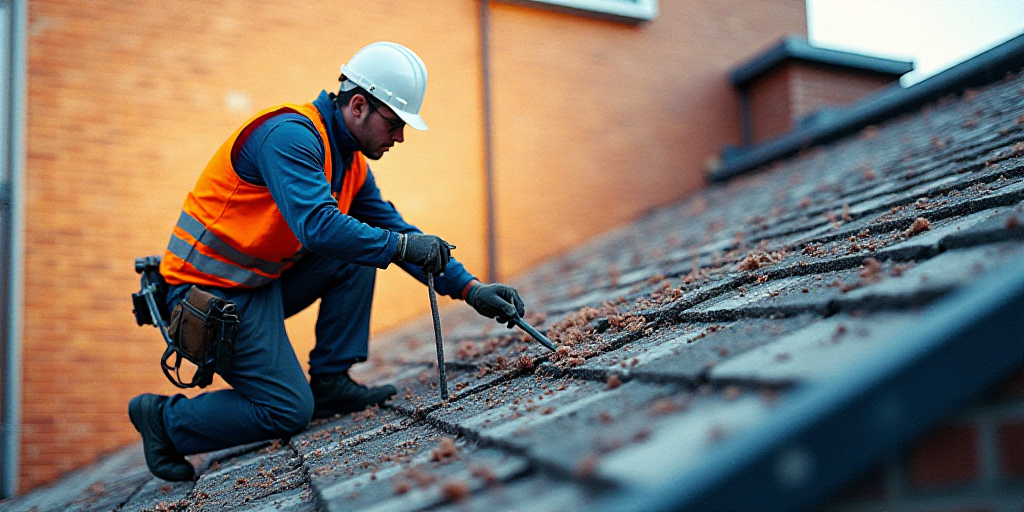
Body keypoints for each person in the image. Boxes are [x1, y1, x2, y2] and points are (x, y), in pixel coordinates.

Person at [127, 42, 526, 482]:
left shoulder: (350, 165)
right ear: (358, 105)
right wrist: (399, 247)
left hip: (256, 286)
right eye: (394, 124)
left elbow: (398, 233)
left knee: (362, 250)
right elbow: (317, 226)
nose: (400, 137)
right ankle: (163, 421)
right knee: (288, 409)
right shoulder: (290, 137)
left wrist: (471, 289)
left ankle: (332, 380)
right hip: (205, 295)